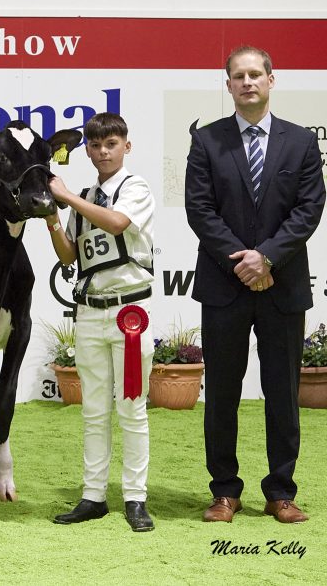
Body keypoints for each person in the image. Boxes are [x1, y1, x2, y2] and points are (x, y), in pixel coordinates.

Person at [185, 45, 325, 524]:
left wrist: (266, 258)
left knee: (282, 392)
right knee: (221, 392)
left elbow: (309, 209)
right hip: (225, 286)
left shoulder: (302, 143)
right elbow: (200, 211)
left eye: (255, 74)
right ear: (228, 85)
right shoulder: (206, 141)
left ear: (271, 80)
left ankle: (281, 491)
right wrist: (243, 262)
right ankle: (225, 492)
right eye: (238, 76)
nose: (247, 82)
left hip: (282, 285)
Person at [44, 112, 156, 532]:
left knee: (131, 407)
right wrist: (52, 216)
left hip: (130, 312)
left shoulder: (135, 187)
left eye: (111, 143)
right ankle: (93, 496)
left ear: (126, 146)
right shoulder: (87, 195)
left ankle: (135, 497)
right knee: (93, 409)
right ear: (87, 150)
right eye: (95, 144)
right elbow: (70, 256)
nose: (103, 151)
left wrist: (66, 196)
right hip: (89, 310)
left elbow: (117, 223)